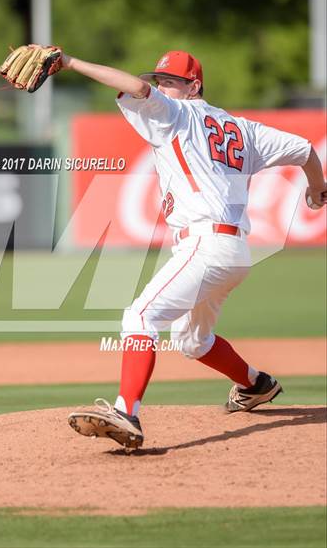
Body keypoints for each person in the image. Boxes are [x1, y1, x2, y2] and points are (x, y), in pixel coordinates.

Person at [65, 50, 326, 450]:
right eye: (160, 80)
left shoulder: (175, 113)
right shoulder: (243, 128)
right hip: (236, 252)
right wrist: (316, 188)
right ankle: (255, 383)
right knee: (191, 341)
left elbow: (134, 88)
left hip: (205, 243)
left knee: (140, 315)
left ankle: (126, 411)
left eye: (170, 81)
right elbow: (306, 150)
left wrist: (70, 63)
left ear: (194, 86)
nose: (161, 87)